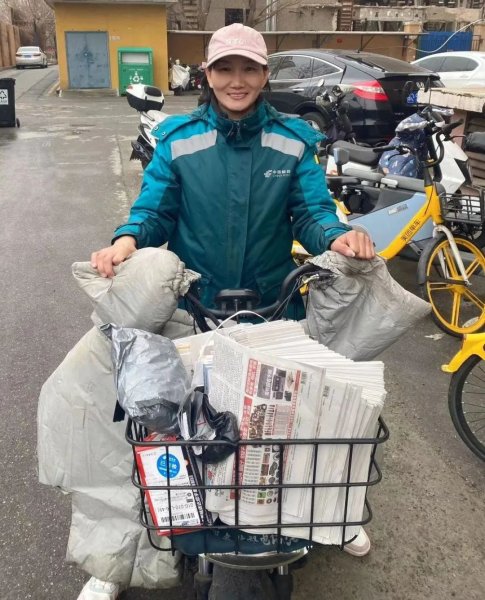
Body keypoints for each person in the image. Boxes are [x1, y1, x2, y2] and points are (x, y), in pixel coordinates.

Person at [84, 22, 375, 600]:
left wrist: (336, 236)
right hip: (192, 303)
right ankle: (121, 552)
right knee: (150, 417)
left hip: (273, 306)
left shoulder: (293, 140)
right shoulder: (178, 137)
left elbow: (311, 211)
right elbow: (155, 209)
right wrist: (127, 239)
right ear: (208, 75)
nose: (236, 80)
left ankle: (327, 512)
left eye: (248, 69)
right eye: (225, 69)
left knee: (293, 423)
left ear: (264, 75)